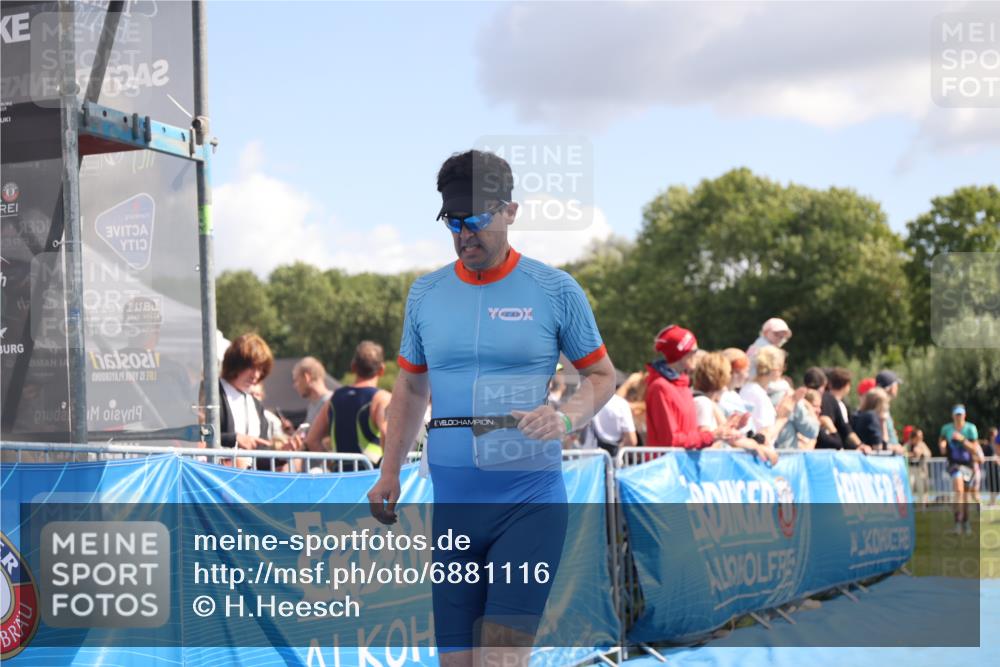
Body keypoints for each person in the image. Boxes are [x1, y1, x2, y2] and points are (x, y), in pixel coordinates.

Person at [366, 149, 616, 666]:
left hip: (528, 504)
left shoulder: (555, 290)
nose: (464, 235)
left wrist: (565, 416)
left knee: (500, 660)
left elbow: (601, 376)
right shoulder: (425, 294)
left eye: (476, 220)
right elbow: (410, 388)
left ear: (510, 211)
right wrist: (389, 470)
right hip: (454, 509)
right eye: (453, 223)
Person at [645, 326, 740, 449]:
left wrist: (722, 432)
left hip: (682, 459)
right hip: (669, 460)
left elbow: (689, 435)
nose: (697, 355)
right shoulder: (660, 387)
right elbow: (671, 440)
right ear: (681, 353)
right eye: (694, 351)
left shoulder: (682, 385)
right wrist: (712, 436)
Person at [304, 341, 391, 466]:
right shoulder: (382, 398)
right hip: (371, 474)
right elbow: (388, 435)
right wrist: (388, 470)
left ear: (353, 366)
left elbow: (312, 440)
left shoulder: (334, 398)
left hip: (340, 475)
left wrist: (332, 465)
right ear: (382, 370)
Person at [692, 351, 775, 463]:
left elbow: (730, 437)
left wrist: (754, 444)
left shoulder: (707, 402)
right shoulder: (703, 402)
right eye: (729, 373)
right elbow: (706, 444)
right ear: (721, 377)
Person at [217, 333, 276, 470]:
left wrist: (282, 455)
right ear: (236, 363)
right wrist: (234, 438)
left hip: (248, 478)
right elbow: (198, 435)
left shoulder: (256, 405)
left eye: (260, 369)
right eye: (252, 367)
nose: (256, 375)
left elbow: (261, 453)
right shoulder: (211, 394)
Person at [938, 405, 980, 535]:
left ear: (964, 415)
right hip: (954, 464)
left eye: (960, 414)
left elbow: (974, 449)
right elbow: (942, 443)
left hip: (968, 465)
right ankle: (957, 522)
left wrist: (962, 439)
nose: (958, 417)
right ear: (952, 415)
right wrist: (943, 445)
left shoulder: (971, 428)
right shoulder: (946, 429)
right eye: (956, 414)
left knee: (965, 496)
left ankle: (965, 522)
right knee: (958, 490)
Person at [580, 371, 637, 456]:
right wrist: (619, 451)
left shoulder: (585, 402)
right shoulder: (621, 404)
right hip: (612, 457)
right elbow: (632, 440)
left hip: (588, 456)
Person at [816, 367, 869, 452]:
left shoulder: (821, 398)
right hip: (833, 447)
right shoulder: (836, 402)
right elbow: (844, 427)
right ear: (847, 386)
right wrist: (859, 444)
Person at [739, 345, 786, 437]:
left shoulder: (752, 390)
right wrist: (783, 418)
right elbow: (764, 436)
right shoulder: (756, 393)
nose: (782, 371)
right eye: (782, 367)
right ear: (775, 369)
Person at [292, 356, 334, 427]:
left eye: (296, 380)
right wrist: (292, 431)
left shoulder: (331, 403)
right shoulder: (312, 405)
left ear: (307, 377)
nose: (295, 386)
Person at [875, 370, 904, 453]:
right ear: (891, 387)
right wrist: (894, 447)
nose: (897, 388)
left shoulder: (882, 406)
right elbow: (878, 441)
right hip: (886, 456)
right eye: (896, 385)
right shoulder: (880, 408)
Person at [906, 427, 932, 508]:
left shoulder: (922, 444)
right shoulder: (908, 444)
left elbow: (928, 454)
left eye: (921, 436)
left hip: (920, 470)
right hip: (910, 469)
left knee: (922, 489)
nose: (920, 438)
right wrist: (911, 454)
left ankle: (922, 507)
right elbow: (903, 453)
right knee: (909, 487)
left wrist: (922, 453)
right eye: (919, 436)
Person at [984, 427, 1000, 505]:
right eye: (994, 435)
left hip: (998, 469)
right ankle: (992, 502)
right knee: (992, 487)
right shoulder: (987, 446)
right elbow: (985, 456)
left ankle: (992, 502)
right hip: (991, 470)